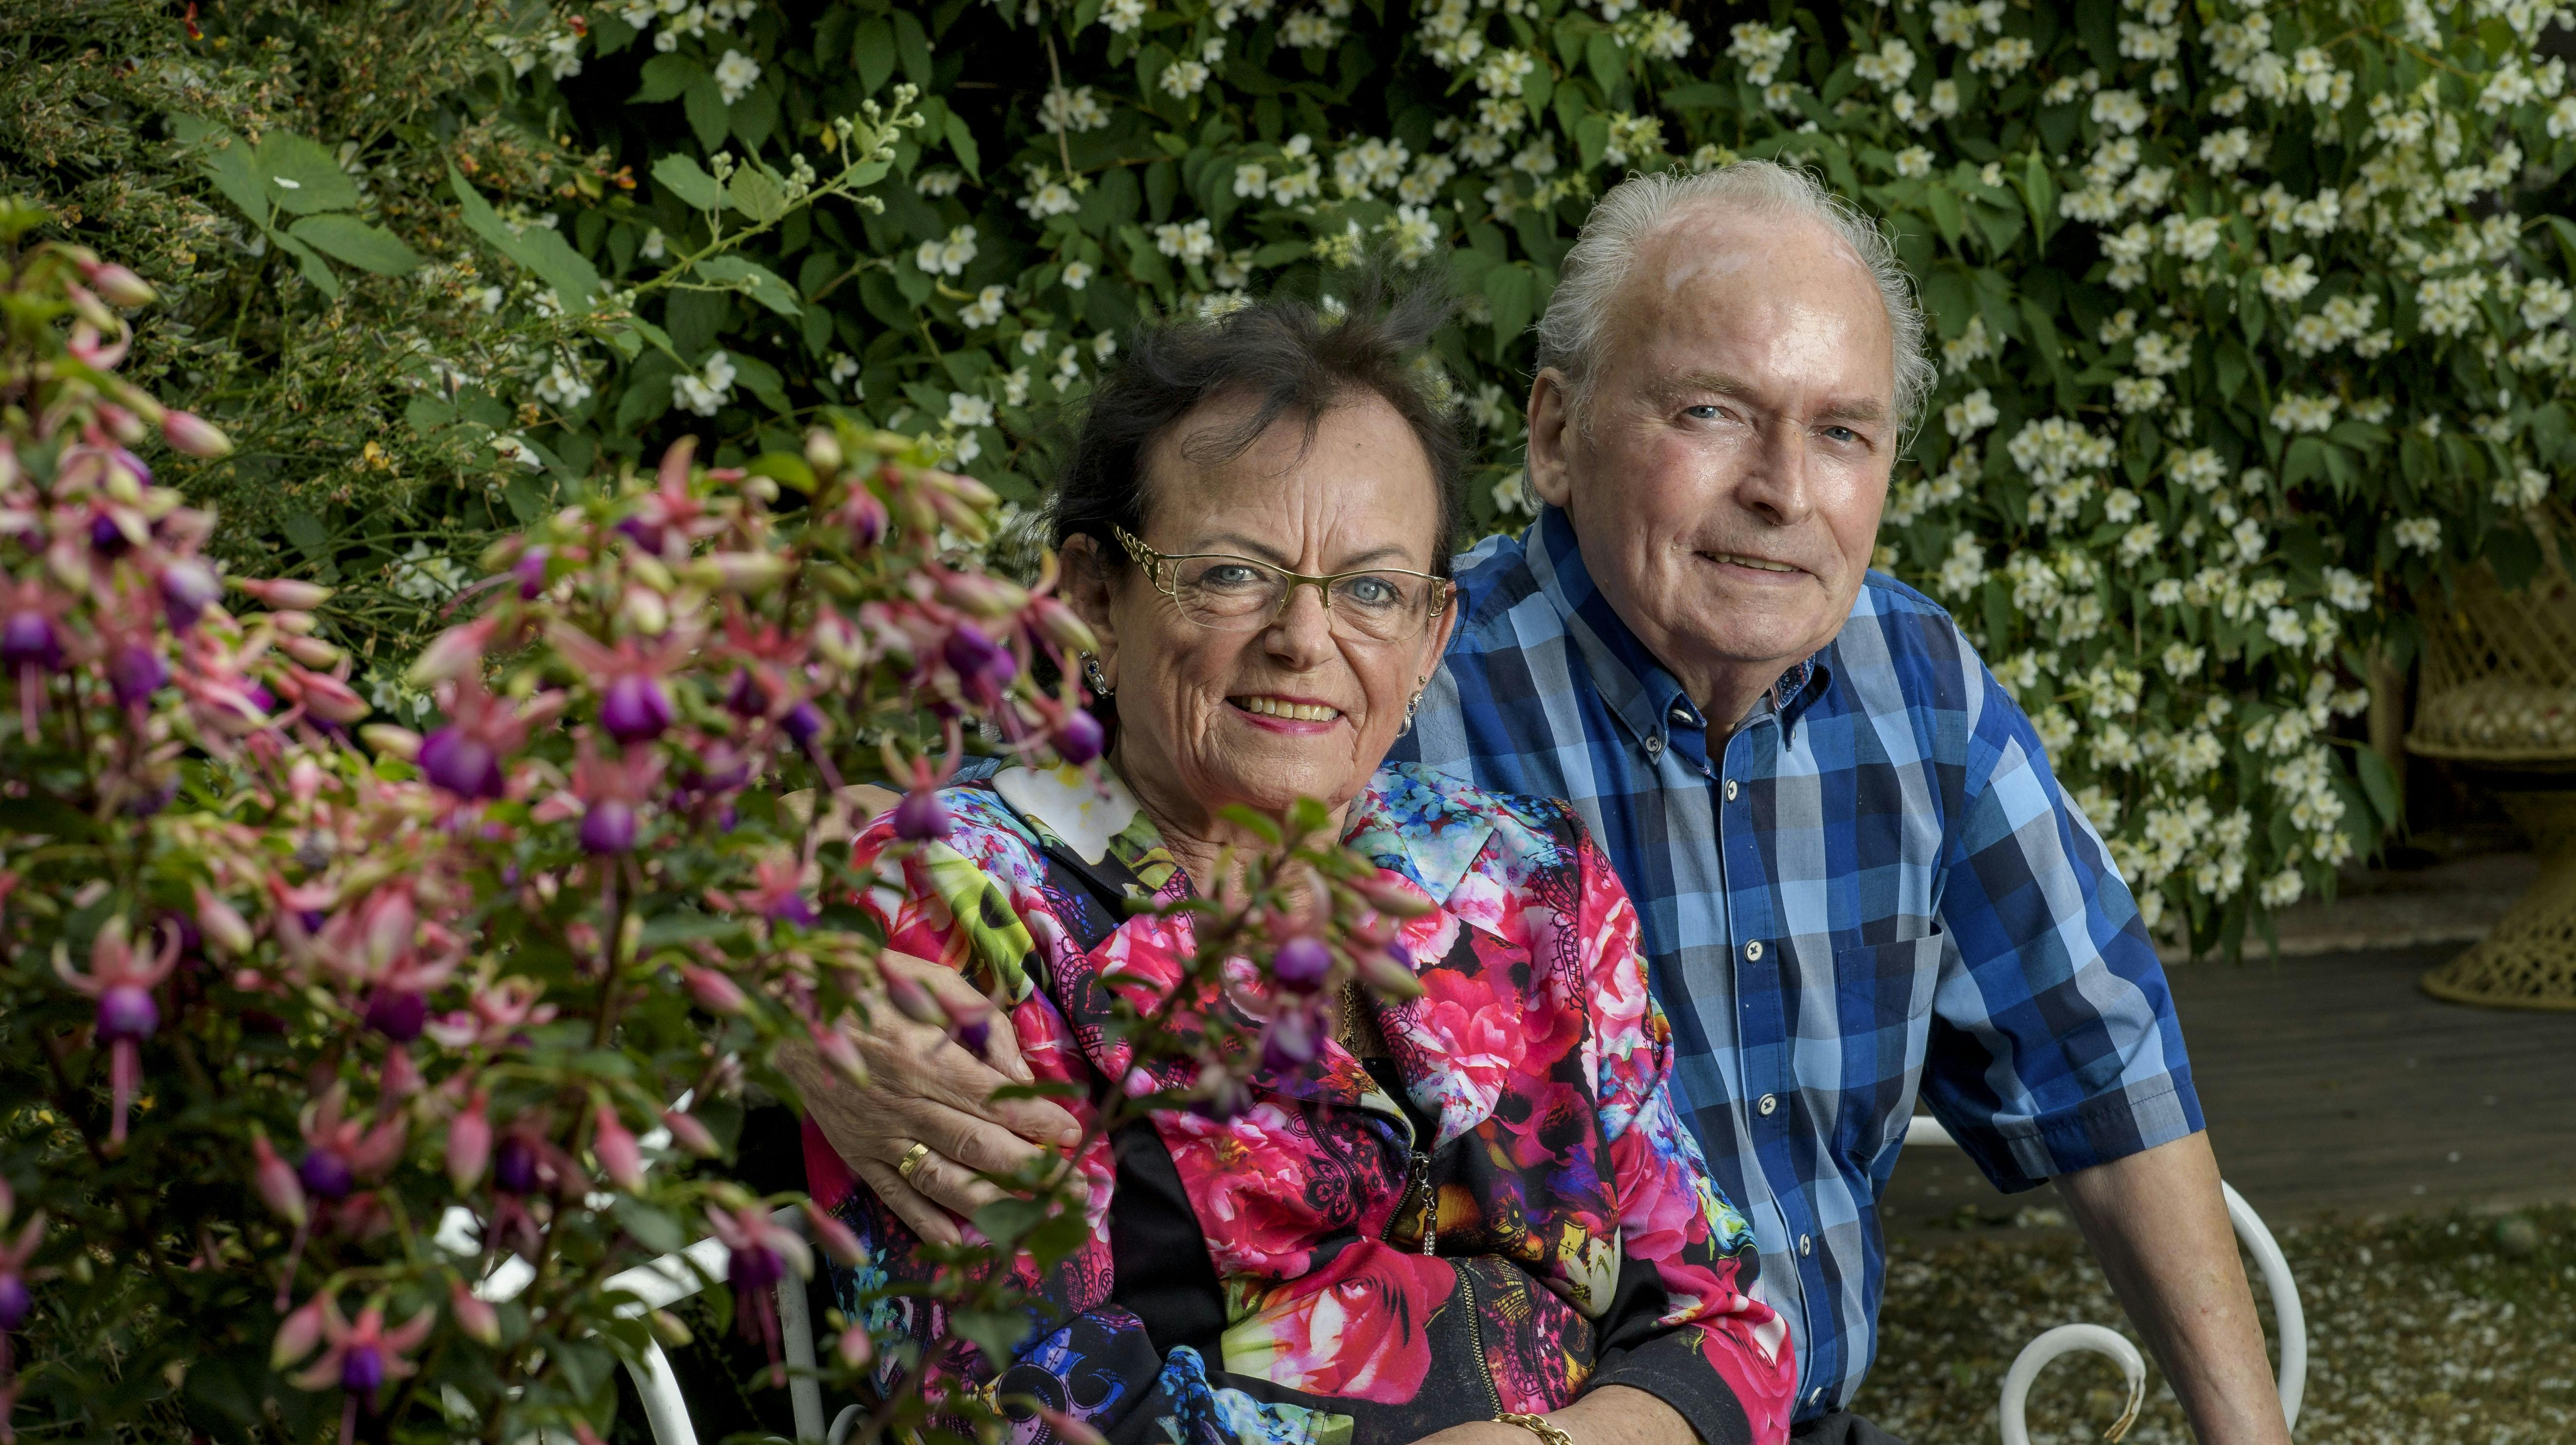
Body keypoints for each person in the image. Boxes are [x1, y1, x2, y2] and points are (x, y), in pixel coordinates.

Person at [799, 165, 2289, 1445]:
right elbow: (983, 810)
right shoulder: (1296, 733)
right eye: (1712, 411)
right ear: (1554, 433)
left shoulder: (1568, 842)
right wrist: (779, 970)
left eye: (1840, 431)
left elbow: (2098, 1074)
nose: (1783, 487)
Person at [794, 288, 1798, 1445]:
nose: (1305, 640)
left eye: (1371, 590)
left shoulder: (1528, 879)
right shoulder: (968, 906)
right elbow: (1004, 1408)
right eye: (1230, 573)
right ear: (1091, 602)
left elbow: (1723, 1318)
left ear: (1428, 637)